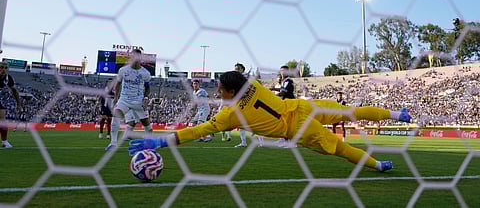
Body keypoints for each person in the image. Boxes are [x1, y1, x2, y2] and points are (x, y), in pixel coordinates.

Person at [129, 71, 412, 172]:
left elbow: (198, 131)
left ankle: (376, 165)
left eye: (220, 89)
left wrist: (161, 141)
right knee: (349, 111)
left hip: (298, 127)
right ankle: (398, 114)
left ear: (228, 92)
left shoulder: (229, 115)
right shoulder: (252, 84)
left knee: (338, 148)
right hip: (302, 107)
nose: (217, 93)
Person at [105, 49, 152, 151]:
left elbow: (148, 87)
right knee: (116, 116)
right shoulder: (123, 70)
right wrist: (116, 98)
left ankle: (149, 145)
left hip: (138, 101)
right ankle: (113, 143)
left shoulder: (145, 73)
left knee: (147, 125)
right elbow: (118, 84)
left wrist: (146, 98)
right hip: (124, 100)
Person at [233, 63, 263, 147]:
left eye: (238, 68)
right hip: (242, 102)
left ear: (243, 70)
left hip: (250, 101)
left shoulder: (246, 77)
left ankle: (261, 141)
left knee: (255, 122)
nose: (236, 70)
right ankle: (244, 142)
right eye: (235, 68)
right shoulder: (236, 79)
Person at [271, 65, 296, 147]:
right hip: (285, 103)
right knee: (283, 122)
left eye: (284, 71)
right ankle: (283, 139)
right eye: (281, 70)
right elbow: (282, 89)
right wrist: (273, 89)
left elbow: (283, 93)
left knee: (288, 123)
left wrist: (271, 96)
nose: (282, 72)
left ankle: (291, 142)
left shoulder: (288, 81)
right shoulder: (284, 81)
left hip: (290, 103)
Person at [0, 62, 22, 148]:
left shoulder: (8, 78)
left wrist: (18, 104)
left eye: (5, 68)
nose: (3, 69)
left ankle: (5, 142)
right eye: (1, 67)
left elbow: (15, 91)